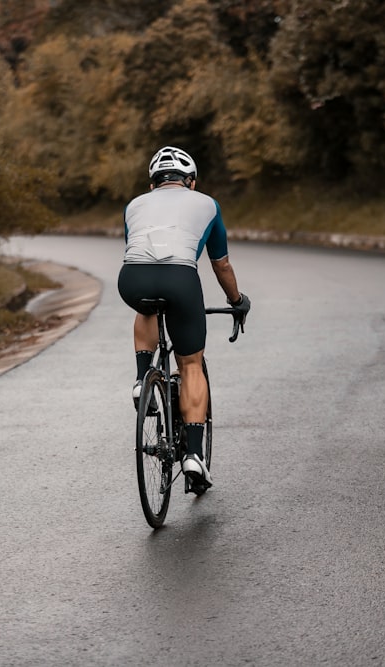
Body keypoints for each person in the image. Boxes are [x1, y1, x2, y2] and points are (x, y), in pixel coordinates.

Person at [118, 146, 250, 490]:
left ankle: (141, 376)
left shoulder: (134, 205)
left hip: (131, 279)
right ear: (192, 182)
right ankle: (193, 455)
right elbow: (220, 264)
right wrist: (237, 301)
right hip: (181, 280)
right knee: (191, 363)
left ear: (152, 185)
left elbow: (139, 253)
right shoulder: (207, 203)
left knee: (146, 306)